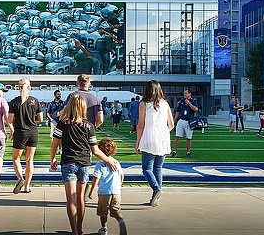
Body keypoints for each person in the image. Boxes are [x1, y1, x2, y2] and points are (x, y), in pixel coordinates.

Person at [51, 93, 118, 235]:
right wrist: (108, 159)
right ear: (83, 108)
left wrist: (53, 159)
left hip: (68, 162)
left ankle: (74, 230)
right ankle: (80, 227)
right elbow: (95, 150)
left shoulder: (63, 123)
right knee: (80, 198)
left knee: (71, 199)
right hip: (84, 164)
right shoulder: (89, 126)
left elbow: (55, 143)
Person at [135, 79, 173, 207]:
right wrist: (162, 132)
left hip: (149, 137)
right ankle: (156, 197)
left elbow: (140, 125)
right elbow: (171, 124)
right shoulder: (165, 104)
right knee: (158, 169)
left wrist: (138, 142)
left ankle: (156, 189)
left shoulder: (144, 104)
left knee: (146, 169)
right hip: (163, 138)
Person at [86, 137, 128, 235]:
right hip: (116, 191)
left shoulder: (100, 164)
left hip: (104, 191)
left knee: (103, 211)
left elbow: (96, 178)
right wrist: (119, 185)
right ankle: (121, 221)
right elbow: (121, 175)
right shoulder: (116, 162)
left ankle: (104, 228)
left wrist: (91, 191)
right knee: (115, 210)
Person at [8, 77, 43, 194]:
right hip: (33, 132)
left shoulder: (14, 102)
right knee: (29, 160)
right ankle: (27, 186)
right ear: (29, 87)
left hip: (20, 132)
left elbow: (9, 119)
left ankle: (20, 179)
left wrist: (14, 126)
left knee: (16, 158)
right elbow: (40, 118)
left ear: (19, 87)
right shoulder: (35, 101)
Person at [171, 88, 200, 158]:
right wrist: (175, 120)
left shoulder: (193, 100)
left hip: (189, 121)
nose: (184, 95)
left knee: (189, 138)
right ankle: (174, 151)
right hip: (181, 120)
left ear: (190, 94)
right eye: (184, 93)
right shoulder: (181, 101)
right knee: (178, 136)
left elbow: (196, 109)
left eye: (186, 93)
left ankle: (188, 152)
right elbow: (177, 111)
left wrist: (189, 103)